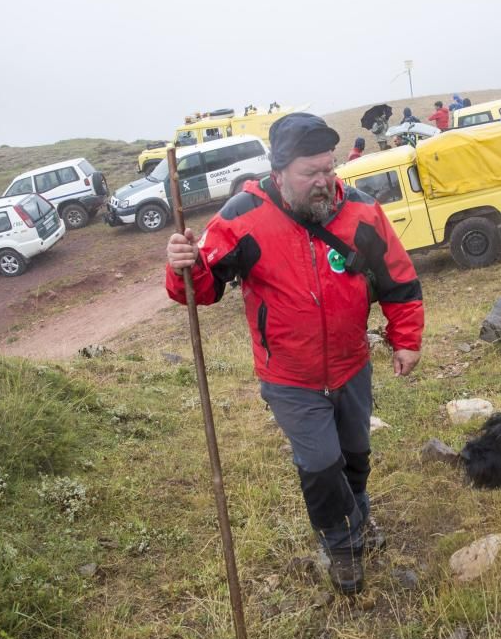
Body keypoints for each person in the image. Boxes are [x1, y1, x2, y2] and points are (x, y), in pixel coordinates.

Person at [165, 113, 424, 596]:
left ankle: (357, 517)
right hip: (289, 376)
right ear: (279, 171)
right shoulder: (242, 217)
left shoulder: (363, 213)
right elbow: (200, 288)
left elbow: (399, 279)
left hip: (352, 366)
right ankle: (343, 546)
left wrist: (406, 338)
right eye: (311, 174)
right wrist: (183, 264)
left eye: (329, 169)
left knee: (355, 456)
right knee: (322, 465)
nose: (325, 182)